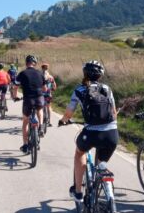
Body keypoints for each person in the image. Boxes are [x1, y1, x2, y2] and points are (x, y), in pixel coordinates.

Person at [58, 60, 119, 205]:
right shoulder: (107, 89)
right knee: (101, 164)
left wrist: (63, 121)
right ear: (100, 75)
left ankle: (78, 192)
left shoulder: (80, 90)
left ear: (85, 73)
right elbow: (114, 113)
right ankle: (101, 184)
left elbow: (68, 113)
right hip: (111, 134)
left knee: (80, 152)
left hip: (91, 134)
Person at [13, 55, 47, 153]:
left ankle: (25, 145)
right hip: (39, 97)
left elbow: (15, 87)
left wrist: (15, 97)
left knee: (25, 122)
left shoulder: (22, 73)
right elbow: (45, 88)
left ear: (26, 63)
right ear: (35, 63)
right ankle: (40, 127)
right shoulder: (40, 73)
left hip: (28, 99)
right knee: (39, 110)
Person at [41, 63, 57, 127]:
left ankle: (41, 121)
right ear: (47, 68)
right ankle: (49, 122)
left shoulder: (40, 76)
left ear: (42, 68)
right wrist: (52, 89)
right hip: (48, 94)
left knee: (41, 108)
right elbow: (55, 85)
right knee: (49, 107)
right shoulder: (51, 77)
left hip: (41, 94)